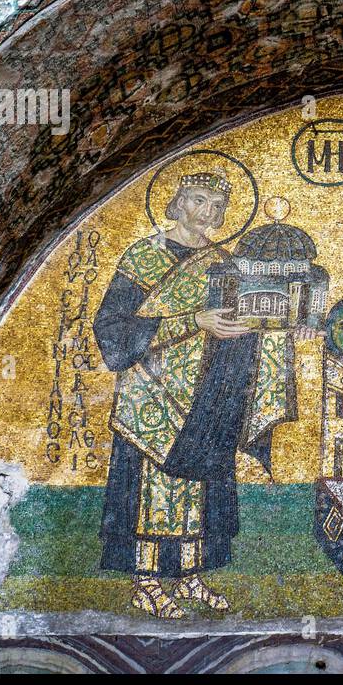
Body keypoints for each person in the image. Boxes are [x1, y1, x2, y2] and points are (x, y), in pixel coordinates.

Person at [94, 170, 266, 619]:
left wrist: (268, 331)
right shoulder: (143, 257)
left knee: (197, 486)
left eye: (216, 205)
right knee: (152, 489)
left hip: (204, 395)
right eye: (198, 199)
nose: (207, 212)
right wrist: (193, 321)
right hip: (150, 393)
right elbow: (112, 328)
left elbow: (241, 322)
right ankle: (146, 581)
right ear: (177, 201)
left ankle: (189, 574)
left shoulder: (224, 263)